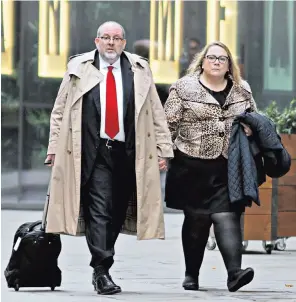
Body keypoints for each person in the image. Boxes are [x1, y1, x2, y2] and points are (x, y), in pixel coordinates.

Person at [44, 21, 173, 295]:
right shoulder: (79, 68)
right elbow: (59, 111)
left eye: (116, 38)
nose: (111, 43)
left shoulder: (139, 69)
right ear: (97, 41)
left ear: (124, 43)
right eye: (106, 37)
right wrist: (53, 147)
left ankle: (103, 262)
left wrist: (163, 149)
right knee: (99, 208)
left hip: (128, 151)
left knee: (116, 210)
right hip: (94, 149)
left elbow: (155, 111)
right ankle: (102, 270)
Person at [164, 41, 257, 292]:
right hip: (190, 164)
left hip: (228, 165)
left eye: (222, 58)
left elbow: (254, 119)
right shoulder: (184, 88)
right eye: (212, 57)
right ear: (202, 61)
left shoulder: (242, 90)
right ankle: (191, 274)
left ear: (229, 65)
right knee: (197, 219)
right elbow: (167, 124)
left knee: (228, 214)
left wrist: (250, 129)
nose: (216, 62)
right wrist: (162, 153)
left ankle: (234, 273)